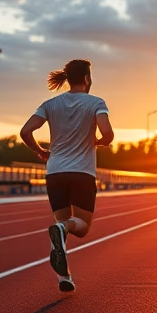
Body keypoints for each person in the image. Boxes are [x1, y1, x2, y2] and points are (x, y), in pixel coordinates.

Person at [19, 59, 114, 292]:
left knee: (62, 226)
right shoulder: (96, 102)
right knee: (80, 228)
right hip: (82, 173)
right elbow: (108, 133)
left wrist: (40, 151)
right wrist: (99, 142)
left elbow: (25, 131)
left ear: (68, 78)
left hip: (55, 172)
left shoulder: (50, 104)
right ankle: (62, 230)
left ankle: (64, 278)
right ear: (86, 79)